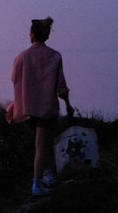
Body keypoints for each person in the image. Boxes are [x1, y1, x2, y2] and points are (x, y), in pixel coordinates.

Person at [7, 16, 73, 196]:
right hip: (45, 109)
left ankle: (48, 174)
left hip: (26, 108)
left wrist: (15, 106)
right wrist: (68, 105)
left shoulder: (21, 57)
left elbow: (15, 82)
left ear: (32, 34)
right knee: (43, 145)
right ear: (47, 35)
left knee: (43, 143)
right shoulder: (55, 56)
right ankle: (37, 183)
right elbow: (61, 87)